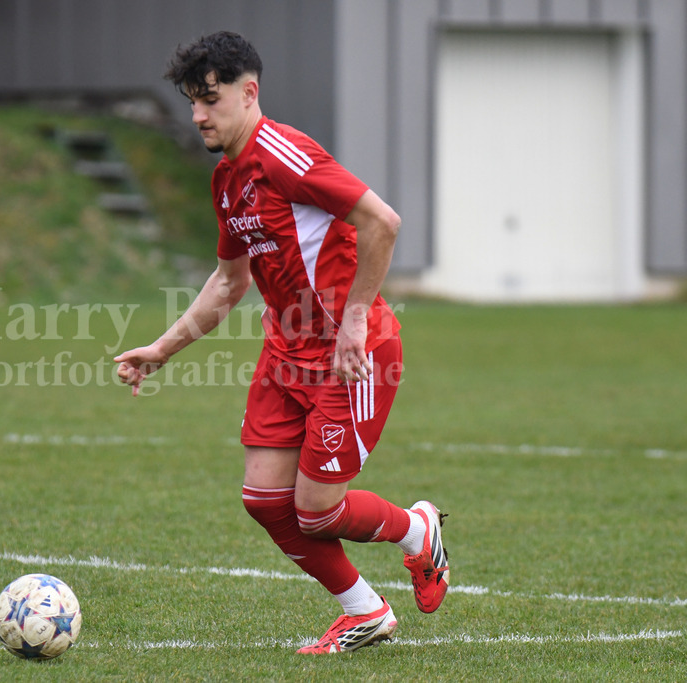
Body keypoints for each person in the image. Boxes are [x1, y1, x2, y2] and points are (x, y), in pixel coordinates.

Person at [114, 31, 449, 654]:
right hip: (286, 355)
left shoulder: (283, 155)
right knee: (266, 500)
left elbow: (382, 221)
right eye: (191, 101)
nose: (197, 115)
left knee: (318, 510)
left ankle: (417, 531)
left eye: (209, 99)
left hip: (353, 354)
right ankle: (365, 611)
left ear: (250, 92)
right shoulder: (225, 179)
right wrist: (161, 349)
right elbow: (228, 281)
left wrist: (352, 320)